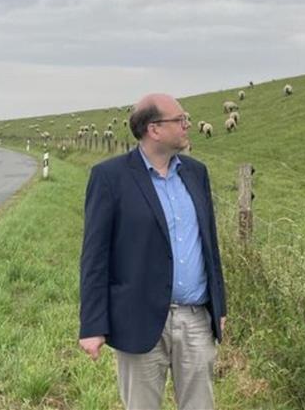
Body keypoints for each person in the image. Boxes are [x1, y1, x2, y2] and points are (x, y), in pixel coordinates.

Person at [78, 93, 227, 410]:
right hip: (138, 318)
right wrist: (92, 326)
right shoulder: (110, 178)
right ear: (154, 129)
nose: (187, 125)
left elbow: (209, 244)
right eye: (180, 120)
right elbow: (94, 257)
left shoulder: (196, 173)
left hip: (196, 318)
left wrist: (220, 306)